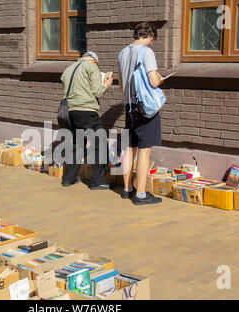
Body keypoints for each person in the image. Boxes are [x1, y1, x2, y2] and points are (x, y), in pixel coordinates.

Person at [117, 22, 163, 205]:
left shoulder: (122, 53)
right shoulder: (146, 52)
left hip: (129, 106)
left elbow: (121, 85)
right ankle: (142, 194)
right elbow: (153, 81)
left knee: (130, 148)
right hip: (145, 108)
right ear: (150, 35)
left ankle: (128, 189)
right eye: (153, 39)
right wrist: (160, 78)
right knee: (145, 150)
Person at [60, 51, 114, 190]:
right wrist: (106, 84)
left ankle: (69, 179)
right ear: (94, 61)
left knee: (77, 144)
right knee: (99, 142)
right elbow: (97, 91)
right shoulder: (91, 67)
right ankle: (99, 181)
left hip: (70, 111)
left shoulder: (69, 69)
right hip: (86, 110)